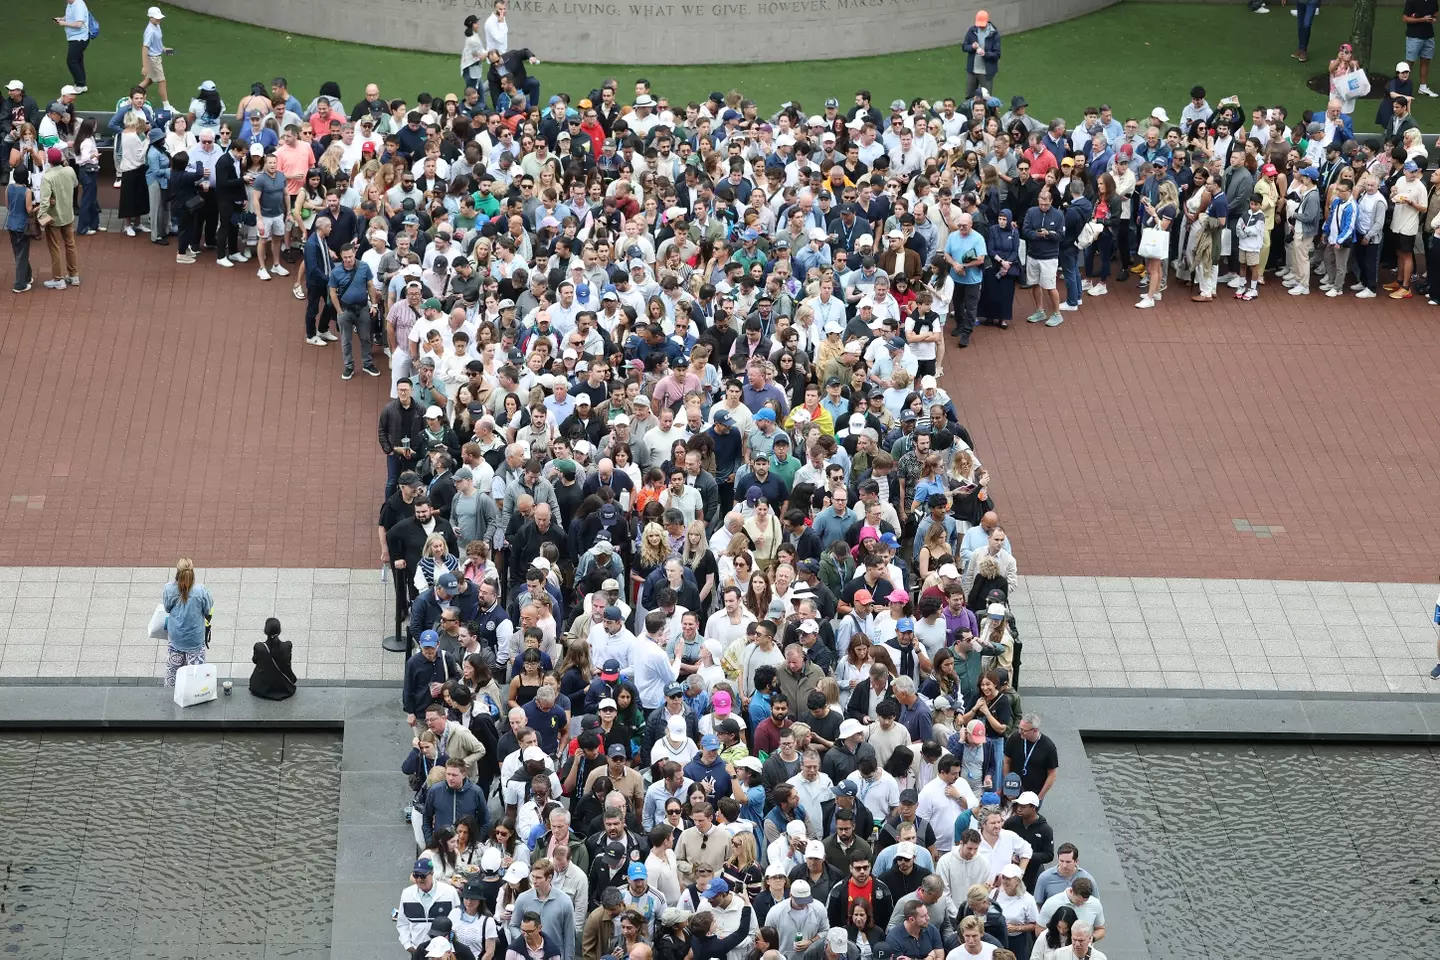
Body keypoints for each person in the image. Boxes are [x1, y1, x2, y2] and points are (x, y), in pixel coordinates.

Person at [159, 557, 213, 688]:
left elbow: (167, 608)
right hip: (195, 639)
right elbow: (208, 609)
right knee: (197, 676)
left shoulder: (169, 589)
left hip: (176, 638)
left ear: (177, 572)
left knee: (173, 673)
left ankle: (172, 694)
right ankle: (194, 694)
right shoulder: (200, 591)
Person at [38, 147, 79, 289]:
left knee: (55, 247)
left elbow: (44, 201)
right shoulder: (70, 171)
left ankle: (58, 278)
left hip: (54, 216)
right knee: (70, 244)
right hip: (68, 214)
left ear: (49, 161)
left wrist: (40, 216)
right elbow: (75, 184)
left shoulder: (47, 177)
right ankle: (73, 275)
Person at [249, 616, 297, 700]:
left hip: (261, 688)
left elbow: (255, 660)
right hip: (285, 688)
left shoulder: (259, 647)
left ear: (265, 631)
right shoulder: (287, 646)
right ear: (279, 631)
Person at [140, 7, 175, 112]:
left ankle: (131, 98)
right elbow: (145, 48)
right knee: (162, 81)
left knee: (148, 80)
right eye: (156, 18)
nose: (159, 20)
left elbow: (157, 43)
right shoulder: (150, 31)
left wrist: (163, 49)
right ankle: (167, 106)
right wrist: (145, 66)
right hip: (153, 59)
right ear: (150, 17)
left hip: (157, 56)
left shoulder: (157, 26)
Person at [6, 168, 33, 293]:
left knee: (18, 252)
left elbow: (7, 206)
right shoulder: (27, 191)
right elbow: (29, 209)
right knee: (22, 254)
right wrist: (36, 209)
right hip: (22, 225)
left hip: (11, 223)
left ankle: (27, 276)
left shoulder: (9, 188)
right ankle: (19, 284)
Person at [56, 0, 92, 91]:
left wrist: (64, 23)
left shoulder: (78, 5)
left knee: (72, 61)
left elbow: (79, 24)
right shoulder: (70, 4)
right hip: (74, 37)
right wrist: (62, 19)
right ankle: (81, 83)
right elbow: (70, 16)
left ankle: (81, 85)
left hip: (79, 38)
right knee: (78, 60)